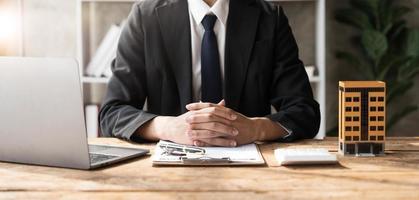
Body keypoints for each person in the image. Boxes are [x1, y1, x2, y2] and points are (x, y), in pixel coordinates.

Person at [99, 0, 321, 147]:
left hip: (253, 168)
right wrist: (168, 127)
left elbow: (304, 112)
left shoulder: (269, 17)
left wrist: (255, 129)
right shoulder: (145, 16)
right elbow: (113, 112)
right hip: (168, 167)